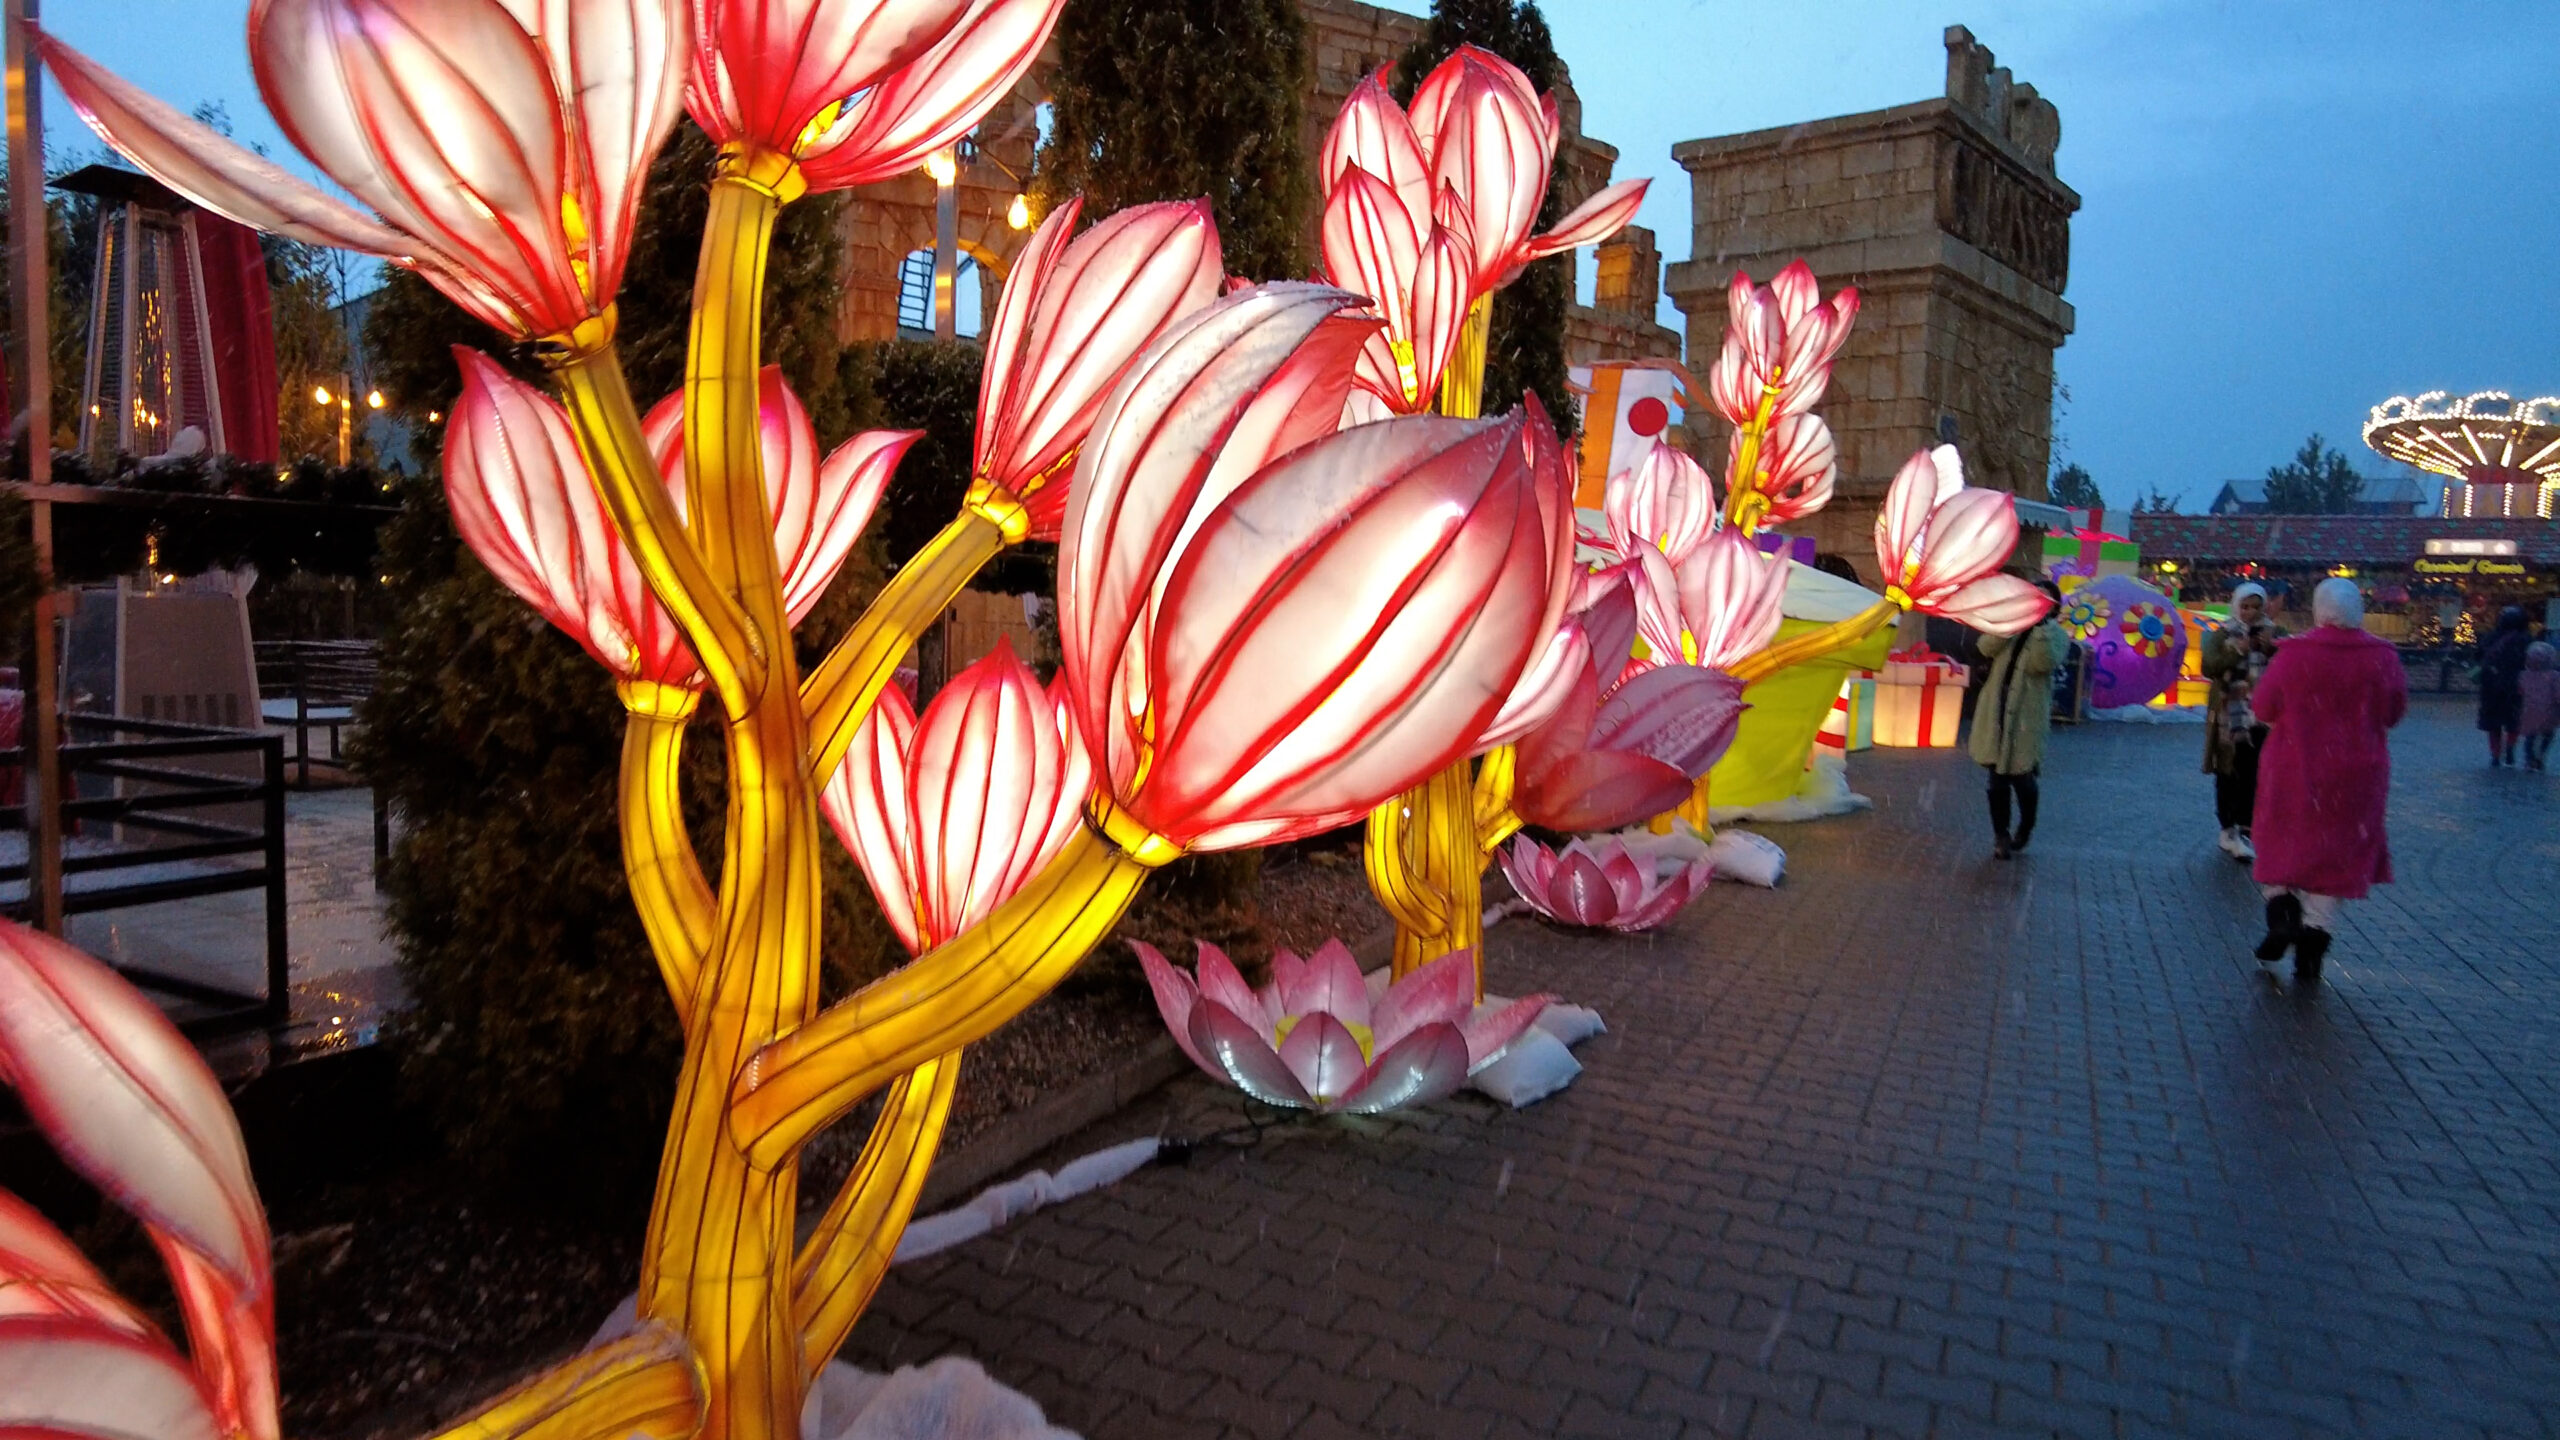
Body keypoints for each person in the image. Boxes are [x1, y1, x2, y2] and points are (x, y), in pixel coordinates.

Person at [2251, 578, 2407, 986]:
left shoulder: (2294, 654)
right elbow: (2393, 713)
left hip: (2294, 767)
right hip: (2357, 777)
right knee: (2336, 856)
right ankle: (2313, 943)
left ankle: (2282, 913)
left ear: (2319, 609)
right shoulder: (2382, 657)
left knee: (2282, 841)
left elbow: (2263, 706)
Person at [1969, 577, 2069, 860]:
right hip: (1997, 710)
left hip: (2027, 716)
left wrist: (2040, 629)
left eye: (2045, 600)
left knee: (2022, 778)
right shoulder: (2011, 625)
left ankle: (2025, 826)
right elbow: (1985, 646)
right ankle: (2000, 837)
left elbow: (2041, 663)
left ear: (2054, 607)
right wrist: (2010, 623)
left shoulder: (2056, 635)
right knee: (1996, 778)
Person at [2200, 583, 2282, 860]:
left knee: (2253, 772)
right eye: (2245, 607)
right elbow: (2209, 666)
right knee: (2228, 771)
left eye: (2256, 607)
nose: (2250, 612)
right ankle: (2228, 828)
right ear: (2236, 606)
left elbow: (2287, 666)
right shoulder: (2223, 634)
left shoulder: (2274, 634)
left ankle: (2245, 828)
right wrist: (2237, 650)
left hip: (2260, 715)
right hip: (2229, 715)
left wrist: (2270, 648)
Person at [2476, 606, 2532, 766]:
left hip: (2492, 683)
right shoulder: (2526, 639)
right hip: (2516, 684)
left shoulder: (2491, 637)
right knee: (2513, 720)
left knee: (2493, 722)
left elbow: (2479, 655)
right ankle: (2510, 747)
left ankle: (2495, 754)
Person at [2518, 641, 2558, 772]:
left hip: (2530, 709)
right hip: (2549, 711)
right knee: (2547, 735)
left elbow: (2520, 692)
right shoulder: (2554, 676)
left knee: (2530, 736)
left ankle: (2529, 760)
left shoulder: (2524, 675)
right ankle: (2540, 757)